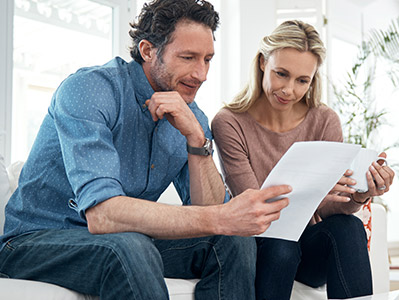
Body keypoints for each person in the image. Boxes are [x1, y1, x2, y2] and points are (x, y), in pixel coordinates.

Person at [0, 1, 291, 299]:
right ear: (148, 50)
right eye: (188, 57)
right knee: (130, 246)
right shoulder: (90, 90)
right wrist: (221, 217)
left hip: (121, 239)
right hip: (34, 241)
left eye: (207, 59)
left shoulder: (191, 116)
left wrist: (196, 138)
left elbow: (212, 210)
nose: (201, 74)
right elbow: (103, 216)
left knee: (233, 240)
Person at [211, 20, 395, 300]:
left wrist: (360, 194)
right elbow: (254, 206)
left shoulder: (324, 120)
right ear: (262, 63)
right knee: (280, 245)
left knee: (349, 227)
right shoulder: (230, 122)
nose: (289, 90)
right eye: (281, 74)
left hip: (309, 247)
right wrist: (310, 196)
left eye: (302, 81)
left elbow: (330, 205)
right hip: (262, 244)